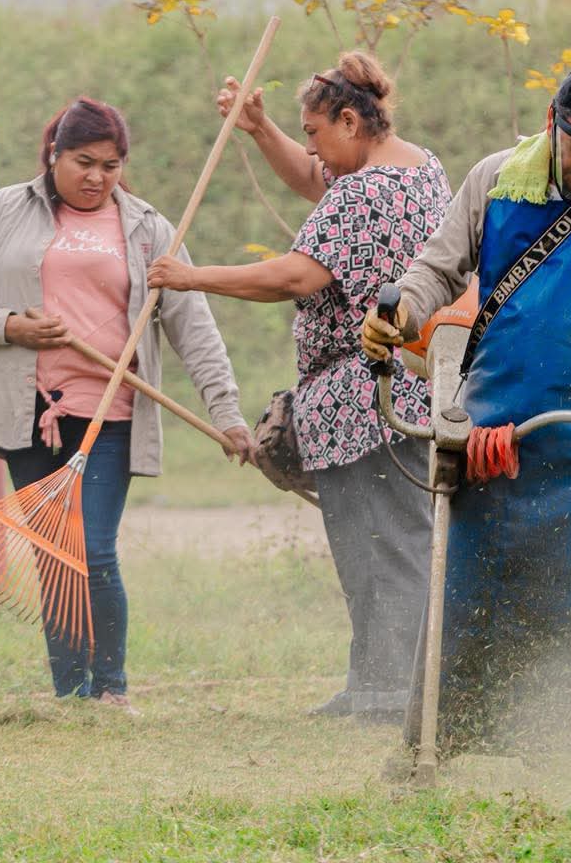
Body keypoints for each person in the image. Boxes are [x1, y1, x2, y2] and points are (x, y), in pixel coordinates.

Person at [360, 61, 571, 755]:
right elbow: (436, 270)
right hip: (488, 433)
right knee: (464, 595)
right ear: (553, 121)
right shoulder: (492, 181)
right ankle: (438, 744)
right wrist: (399, 311)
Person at [148, 51, 449, 724]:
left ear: (350, 119)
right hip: (402, 392)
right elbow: (320, 180)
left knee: (382, 546)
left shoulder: (361, 192)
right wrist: (259, 131)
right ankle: (375, 684)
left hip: (364, 394)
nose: (311, 149)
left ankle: (391, 694)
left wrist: (189, 277)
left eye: (313, 131)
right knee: (380, 544)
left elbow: (295, 277)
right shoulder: (418, 170)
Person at [0, 97, 253, 713]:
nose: (97, 177)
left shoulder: (150, 229)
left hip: (111, 412)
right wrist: (9, 326)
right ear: (54, 155)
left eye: (110, 165)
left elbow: (195, 327)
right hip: (29, 413)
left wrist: (227, 413)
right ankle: (70, 695)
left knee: (94, 547)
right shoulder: (3, 212)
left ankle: (110, 690)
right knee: (55, 553)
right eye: (83, 162)